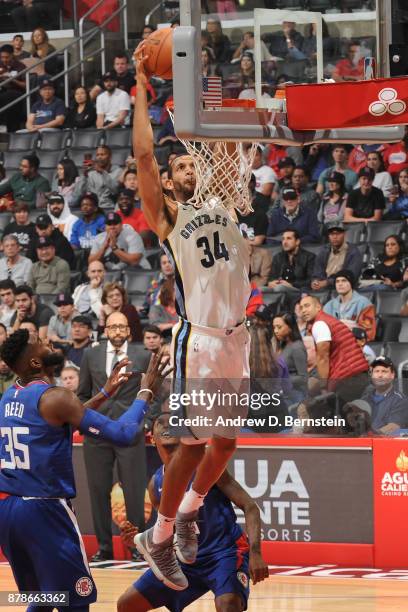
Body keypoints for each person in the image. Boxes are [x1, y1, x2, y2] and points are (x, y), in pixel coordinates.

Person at [133, 45, 252, 589]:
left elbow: (223, 142)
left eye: (190, 161)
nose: (187, 167)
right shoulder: (170, 218)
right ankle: (158, 536)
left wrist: (205, 83)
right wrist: (140, 86)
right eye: (179, 163)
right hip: (199, 340)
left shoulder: (224, 201)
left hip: (237, 338)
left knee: (225, 444)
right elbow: (142, 161)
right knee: (193, 444)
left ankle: (187, 513)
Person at [0, 329, 169, 606]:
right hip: (45, 510)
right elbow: (124, 433)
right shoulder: (54, 397)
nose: (48, 341)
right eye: (40, 343)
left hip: (9, 512)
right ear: (34, 363)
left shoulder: (10, 396)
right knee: (76, 600)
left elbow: (63, 417)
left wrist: (104, 393)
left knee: (43, 597)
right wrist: (146, 390)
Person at [117, 414, 268, 611]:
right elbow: (167, 531)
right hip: (183, 561)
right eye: (160, 423)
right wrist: (135, 541)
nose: (166, 424)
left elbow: (250, 507)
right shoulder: (156, 484)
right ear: (152, 438)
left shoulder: (206, 465)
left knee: (228, 604)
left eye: (172, 421)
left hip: (223, 553)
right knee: (127, 604)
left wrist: (255, 552)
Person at [77, 311, 152, 562]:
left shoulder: (143, 354)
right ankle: (104, 547)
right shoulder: (91, 354)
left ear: (129, 330)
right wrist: (82, 420)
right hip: (96, 433)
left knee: (134, 492)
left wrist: (147, 421)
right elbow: (82, 393)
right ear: (105, 330)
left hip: (130, 433)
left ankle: (136, 547)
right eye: (113, 327)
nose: (118, 331)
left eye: (122, 327)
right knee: (98, 492)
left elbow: (152, 391)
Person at [299, 295, 369, 402]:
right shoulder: (328, 320)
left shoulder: (320, 324)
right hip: (357, 374)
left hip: (349, 377)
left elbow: (323, 358)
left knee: (334, 412)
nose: (303, 310)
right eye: (301, 308)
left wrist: (323, 387)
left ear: (318, 307)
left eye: (307, 306)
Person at [354, 356, 408, 434]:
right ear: (371, 375)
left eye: (384, 371)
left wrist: (373, 435)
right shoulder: (364, 400)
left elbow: (393, 427)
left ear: (392, 375)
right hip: (363, 443)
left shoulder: (401, 400)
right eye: (376, 371)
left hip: (386, 444)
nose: (380, 375)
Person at [324, 270, 376, 341]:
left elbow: (368, 333)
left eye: (344, 281)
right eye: (337, 281)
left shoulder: (364, 303)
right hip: (333, 343)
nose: (340, 284)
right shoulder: (329, 306)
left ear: (351, 283)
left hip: (355, 344)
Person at [311, 221, 363, 290]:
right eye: (332, 234)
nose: (335, 237)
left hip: (345, 288)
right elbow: (317, 272)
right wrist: (315, 282)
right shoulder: (323, 251)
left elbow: (351, 276)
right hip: (324, 288)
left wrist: (327, 282)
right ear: (328, 236)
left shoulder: (353, 252)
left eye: (338, 233)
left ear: (344, 234)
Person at [267, 229, 315, 296]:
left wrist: (291, 284)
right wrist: (271, 282)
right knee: (258, 290)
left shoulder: (309, 257)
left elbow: (311, 280)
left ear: (297, 242)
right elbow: (271, 277)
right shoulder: (278, 257)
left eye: (289, 238)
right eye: (283, 239)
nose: (285, 242)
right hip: (279, 286)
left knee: (279, 288)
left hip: (298, 289)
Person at [272, 312, 308, 401]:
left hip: (295, 396)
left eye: (279, 327)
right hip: (285, 394)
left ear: (290, 327)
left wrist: (282, 380)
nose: (276, 331)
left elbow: (303, 378)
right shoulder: (283, 345)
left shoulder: (297, 347)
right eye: (274, 327)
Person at [0, 44, 26, 133]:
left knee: (8, 96)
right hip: (2, 90)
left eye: (7, 57)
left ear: (12, 55)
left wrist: (12, 80)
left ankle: (6, 126)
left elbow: (25, 85)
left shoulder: (20, 66)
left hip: (16, 92)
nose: (4, 60)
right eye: (2, 57)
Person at [141, 251, 174, 317]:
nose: (167, 265)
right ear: (161, 266)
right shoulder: (154, 284)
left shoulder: (182, 283)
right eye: (164, 263)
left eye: (170, 262)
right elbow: (146, 306)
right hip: (157, 318)